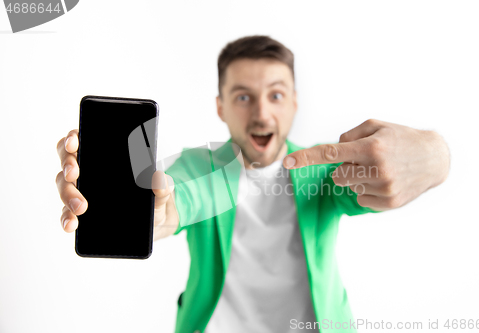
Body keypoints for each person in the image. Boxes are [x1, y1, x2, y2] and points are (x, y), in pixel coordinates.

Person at [55, 35, 450, 333]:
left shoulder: (322, 170)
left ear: (294, 102)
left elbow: (370, 181)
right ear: (221, 107)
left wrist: (436, 156)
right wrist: (154, 214)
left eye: (275, 95)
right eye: (243, 97)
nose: (261, 113)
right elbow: (178, 199)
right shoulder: (199, 166)